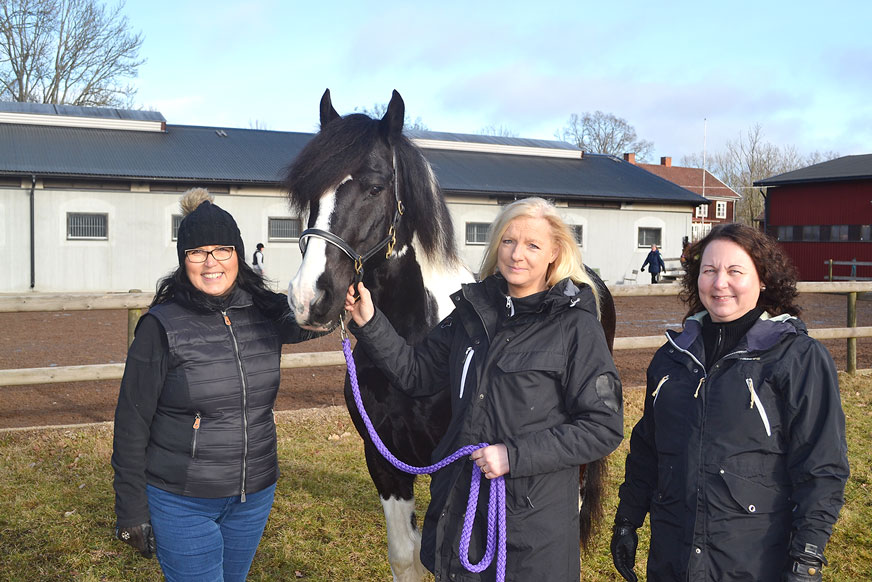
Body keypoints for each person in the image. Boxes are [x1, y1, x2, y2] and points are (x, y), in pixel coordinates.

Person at [344, 197, 623, 581]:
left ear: (555, 253)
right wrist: (370, 322)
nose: (516, 254)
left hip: (534, 527)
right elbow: (416, 373)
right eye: (508, 241)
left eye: (532, 245)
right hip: (463, 511)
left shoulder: (577, 328)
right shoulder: (470, 314)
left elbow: (602, 427)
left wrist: (513, 455)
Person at [611, 223, 849, 582]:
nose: (720, 282)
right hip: (672, 557)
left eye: (735, 271)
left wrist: (808, 554)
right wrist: (627, 520)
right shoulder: (673, 358)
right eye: (709, 271)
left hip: (752, 561)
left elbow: (822, 464)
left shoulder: (797, 358)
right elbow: (647, 450)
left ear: (763, 279)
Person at [111, 188, 322, 581]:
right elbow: (131, 423)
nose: (211, 263)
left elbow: (316, 316)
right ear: (183, 260)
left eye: (222, 250)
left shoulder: (265, 313)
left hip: (254, 494)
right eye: (197, 252)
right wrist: (131, 509)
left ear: (238, 255)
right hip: (181, 500)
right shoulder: (161, 327)